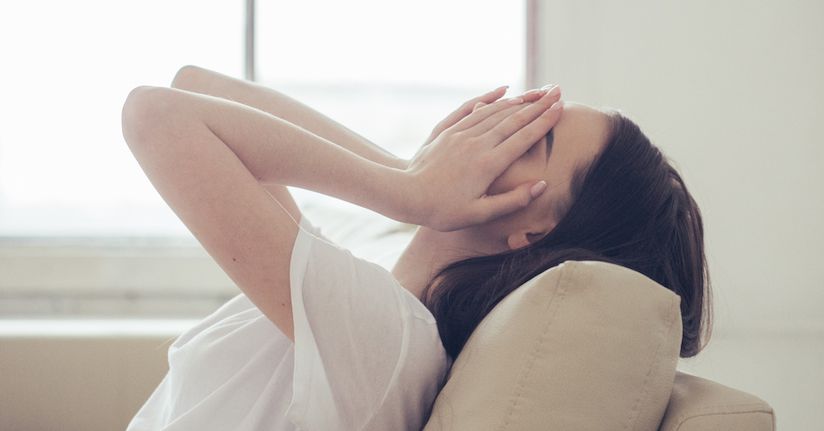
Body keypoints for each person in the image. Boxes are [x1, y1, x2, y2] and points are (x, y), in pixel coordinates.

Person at [121, 66, 712, 431]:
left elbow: (157, 115)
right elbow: (196, 84)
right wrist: (407, 174)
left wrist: (405, 190)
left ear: (530, 236)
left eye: (533, 135)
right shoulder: (370, 305)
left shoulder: (389, 341)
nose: (501, 116)